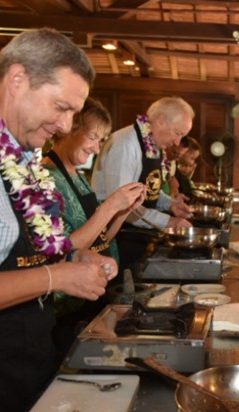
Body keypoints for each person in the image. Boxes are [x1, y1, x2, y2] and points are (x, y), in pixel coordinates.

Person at [0, 28, 118, 411]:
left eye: (73, 113)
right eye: (61, 107)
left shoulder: (24, 158)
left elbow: (23, 255)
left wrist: (73, 258)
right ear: (17, 79)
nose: (67, 126)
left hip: (29, 360)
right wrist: (58, 277)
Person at [42, 97, 146, 359]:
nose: (97, 148)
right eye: (93, 137)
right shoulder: (46, 178)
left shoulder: (78, 175)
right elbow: (65, 248)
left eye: (101, 140)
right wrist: (109, 207)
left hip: (93, 296)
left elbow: (101, 240)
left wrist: (123, 212)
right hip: (67, 308)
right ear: (68, 128)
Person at [92, 97, 195, 269]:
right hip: (112, 236)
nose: (177, 142)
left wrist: (170, 204)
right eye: (178, 133)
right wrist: (168, 222)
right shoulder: (125, 144)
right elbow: (122, 206)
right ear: (161, 121)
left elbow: (148, 187)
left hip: (138, 232)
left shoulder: (152, 144)